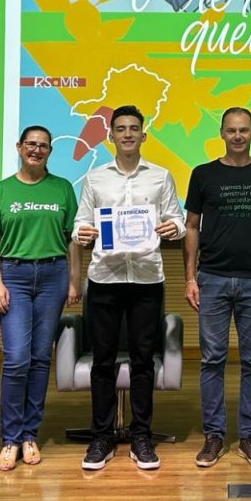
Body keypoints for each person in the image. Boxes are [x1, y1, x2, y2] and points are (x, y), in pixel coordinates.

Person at [72, 105, 185, 471]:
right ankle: (101, 437)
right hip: (104, 277)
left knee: (142, 360)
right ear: (111, 136)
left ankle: (141, 436)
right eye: (120, 129)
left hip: (147, 278)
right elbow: (79, 226)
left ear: (143, 135)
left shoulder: (161, 176)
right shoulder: (94, 179)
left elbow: (178, 220)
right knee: (102, 362)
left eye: (134, 128)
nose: (127, 134)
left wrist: (174, 229)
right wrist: (83, 233)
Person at [0, 125, 79, 472]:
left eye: (43, 146)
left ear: (50, 151)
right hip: (14, 276)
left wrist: (73, 279)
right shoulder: (2, 190)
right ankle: (10, 438)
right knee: (16, 358)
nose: (36, 150)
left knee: (39, 358)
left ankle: (29, 435)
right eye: (31, 145)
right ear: (19, 147)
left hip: (53, 275)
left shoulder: (63, 188)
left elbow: (72, 239)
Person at [185, 107, 251, 468]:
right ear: (222, 133)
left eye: (244, 130)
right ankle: (213, 436)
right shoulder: (203, 174)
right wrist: (191, 276)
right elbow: (192, 226)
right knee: (212, 359)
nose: (238, 136)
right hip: (212, 278)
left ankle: (249, 436)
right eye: (231, 130)